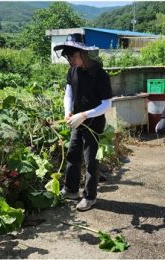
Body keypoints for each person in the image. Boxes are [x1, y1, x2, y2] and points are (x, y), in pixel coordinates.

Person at [54, 33, 113, 211]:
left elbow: (106, 105)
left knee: (91, 161)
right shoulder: (72, 71)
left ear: (83, 54)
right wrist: (68, 111)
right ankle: (71, 190)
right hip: (76, 120)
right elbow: (68, 93)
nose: (70, 60)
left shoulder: (100, 75)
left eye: (72, 56)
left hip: (93, 124)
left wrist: (84, 115)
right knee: (72, 155)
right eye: (67, 57)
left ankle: (90, 197)